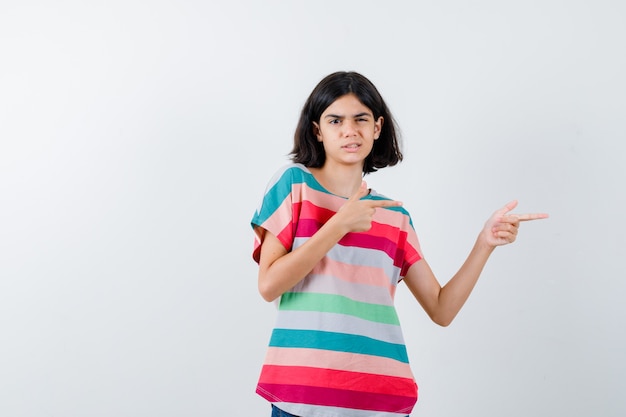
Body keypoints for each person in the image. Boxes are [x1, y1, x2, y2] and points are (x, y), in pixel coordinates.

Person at [250, 71, 548, 417]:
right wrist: (340, 224)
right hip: (301, 396)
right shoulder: (292, 186)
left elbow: (442, 309)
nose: (350, 130)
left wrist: (485, 243)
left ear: (377, 128)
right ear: (318, 130)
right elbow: (269, 285)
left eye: (361, 119)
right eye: (335, 120)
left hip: (380, 399)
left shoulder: (394, 216)